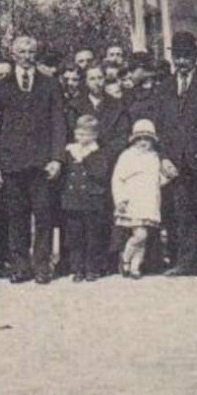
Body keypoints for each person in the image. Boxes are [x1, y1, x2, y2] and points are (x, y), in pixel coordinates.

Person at [0, 35, 67, 284]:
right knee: (16, 216)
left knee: (43, 215)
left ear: (36, 53)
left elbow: (58, 122)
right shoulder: (2, 87)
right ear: (13, 54)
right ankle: (20, 265)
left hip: (42, 163)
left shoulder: (50, 84)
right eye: (21, 51)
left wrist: (57, 158)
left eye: (31, 51)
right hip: (11, 163)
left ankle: (42, 265)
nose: (26, 55)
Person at [156, 31, 197, 278]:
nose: (182, 62)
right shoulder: (163, 87)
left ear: (195, 57)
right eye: (178, 57)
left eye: (186, 57)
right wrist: (164, 157)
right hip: (176, 161)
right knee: (182, 213)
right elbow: (160, 126)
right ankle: (187, 262)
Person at [112, 119, 173, 278]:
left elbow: (156, 180)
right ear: (134, 140)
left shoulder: (154, 157)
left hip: (149, 202)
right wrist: (120, 199)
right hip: (133, 201)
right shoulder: (127, 156)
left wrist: (168, 177)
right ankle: (125, 259)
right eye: (139, 139)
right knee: (140, 235)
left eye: (147, 139)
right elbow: (118, 179)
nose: (143, 142)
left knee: (144, 238)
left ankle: (135, 266)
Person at [61, 114, 113, 282]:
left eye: (86, 134)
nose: (82, 137)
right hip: (73, 200)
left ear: (94, 135)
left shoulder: (99, 152)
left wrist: (85, 158)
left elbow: (100, 173)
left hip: (92, 201)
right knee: (75, 237)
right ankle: (77, 268)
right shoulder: (69, 151)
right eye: (79, 133)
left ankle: (92, 268)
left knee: (92, 236)